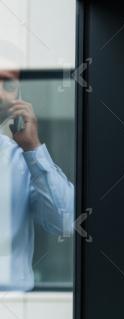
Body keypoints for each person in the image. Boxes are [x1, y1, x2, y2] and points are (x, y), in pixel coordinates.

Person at [0, 63, 75, 291]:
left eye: (8, 85)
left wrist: (33, 148)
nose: (1, 94)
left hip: (15, 311)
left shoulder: (22, 159)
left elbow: (65, 223)